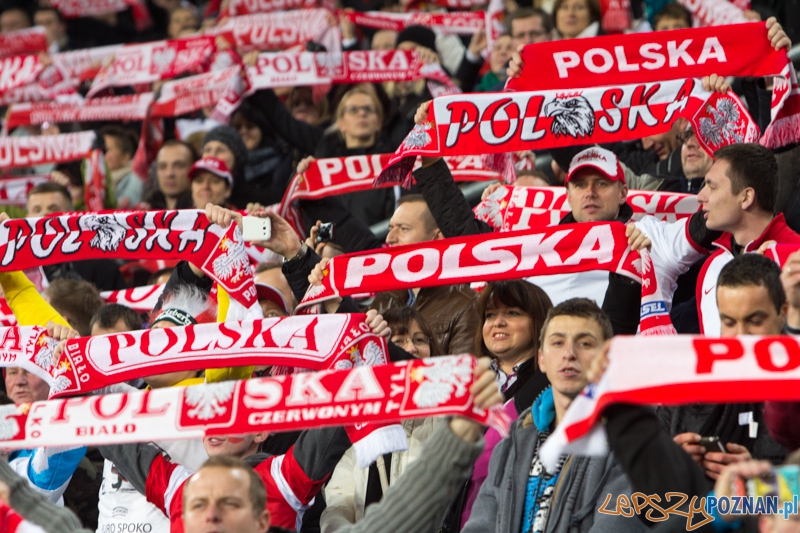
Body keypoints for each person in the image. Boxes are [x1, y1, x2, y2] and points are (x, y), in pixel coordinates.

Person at [463, 298, 643, 533]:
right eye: (557, 343)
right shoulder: (512, 443)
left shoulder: (631, 443)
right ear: (541, 359)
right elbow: (479, 526)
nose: (569, 354)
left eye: (585, 343)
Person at [633, 143, 800, 336]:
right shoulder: (711, 266)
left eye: (712, 187)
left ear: (746, 197)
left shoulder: (794, 259)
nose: (700, 196)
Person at [371, 194, 481, 355]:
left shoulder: (466, 304)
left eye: (403, 229)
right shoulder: (383, 300)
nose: (389, 239)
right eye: (390, 229)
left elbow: (463, 369)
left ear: (436, 237)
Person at [100, 125, 143, 208]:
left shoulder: (135, 179)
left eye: (106, 150)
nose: (101, 155)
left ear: (125, 157)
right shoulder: (91, 180)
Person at [146, 140, 196, 210]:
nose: (169, 173)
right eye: (162, 166)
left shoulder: (206, 212)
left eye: (178, 166)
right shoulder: (143, 210)